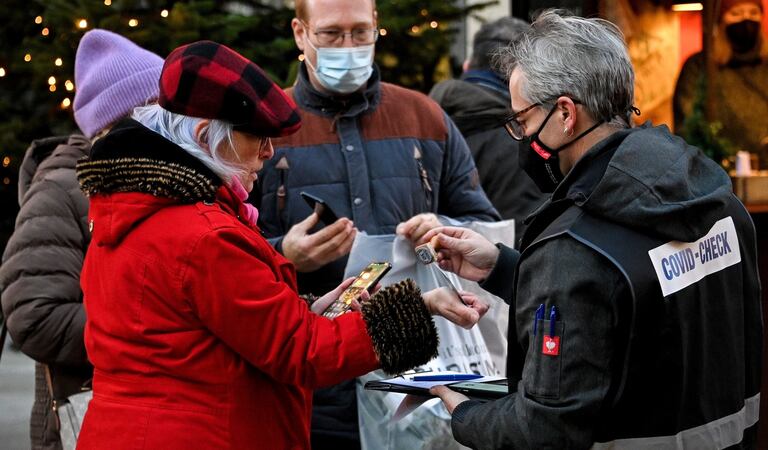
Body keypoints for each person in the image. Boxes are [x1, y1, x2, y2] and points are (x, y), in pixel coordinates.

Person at [72, 40, 485, 450]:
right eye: (258, 138)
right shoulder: (204, 235)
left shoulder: (132, 208)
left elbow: (201, 333)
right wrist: (420, 306)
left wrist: (304, 312)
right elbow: (303, 352)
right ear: (205, 136)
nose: (270, 153)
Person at [422, 10, 762, 449]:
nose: (521, 138)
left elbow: (545, 429)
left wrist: (464, 414)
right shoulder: (721, 205)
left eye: (522, 121)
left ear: (565, 113)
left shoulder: (572, 249)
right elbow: (631, 308)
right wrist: (507, 268)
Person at [249, 0, 500, 447]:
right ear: (299, 33)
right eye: (331, 34)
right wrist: (283, 255)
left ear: (376, 28)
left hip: (421, 382)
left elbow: (485, 227)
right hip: (313, 393)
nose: (348, 46)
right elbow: (223, 250)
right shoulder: (265, 127)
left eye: (360, 32)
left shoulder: (425, 117)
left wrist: (441, 226)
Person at [0, 29, 164, 450]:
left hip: (149, 414)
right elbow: (33, 317)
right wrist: (152, 328)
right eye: (155, 110)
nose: (168, 123)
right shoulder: (59, 190)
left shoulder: (151, 180)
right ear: (116, 121)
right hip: (85, 419)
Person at [430, 17, 543, 243]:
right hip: (493, 271)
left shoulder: (420, 124)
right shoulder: (524, 142)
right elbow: (526, 239)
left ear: (467, 65)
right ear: (523, 78)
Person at [674, 0, 768, 167]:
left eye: (753, 13)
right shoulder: (700, 66)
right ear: (721, 19)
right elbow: (689, 128)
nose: (746, 19)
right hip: (722, 173)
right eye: (736, 13)